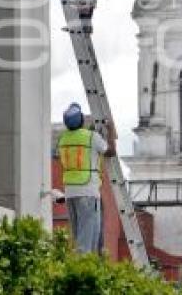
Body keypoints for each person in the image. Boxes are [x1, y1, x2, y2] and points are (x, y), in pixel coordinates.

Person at [56, 102, 116, 254]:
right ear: (81, 120)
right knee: (88, 237)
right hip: (87, 191)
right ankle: (83, 270)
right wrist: (110, 132)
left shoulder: (63, 139)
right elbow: (110, 152)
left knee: (78, 234)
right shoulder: (91, 137)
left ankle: (81, 265)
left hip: (70, 192)